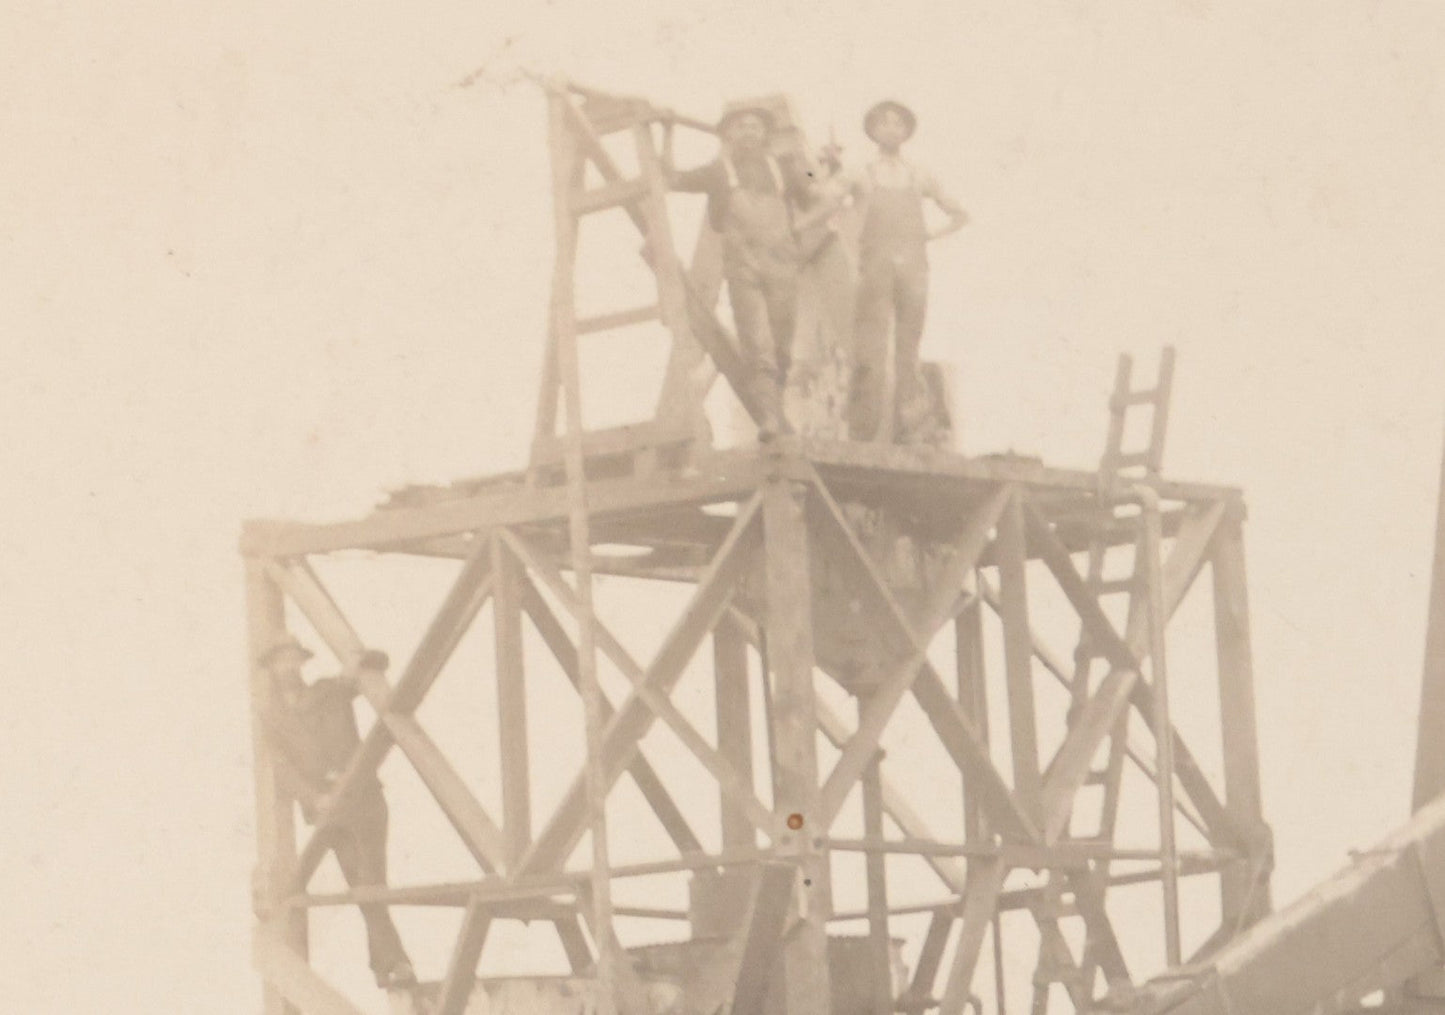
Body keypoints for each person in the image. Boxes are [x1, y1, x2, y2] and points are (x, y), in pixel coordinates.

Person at [258, 636, 416, 991]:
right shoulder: (272, 716)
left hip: (363, 799)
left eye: (294, 660)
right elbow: (281, 768)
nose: (289, 667)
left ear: (302, 663)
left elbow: (376, 664)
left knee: (371, 880)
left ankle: (390, 965)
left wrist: (360, 659)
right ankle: (390, 964)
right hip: (328, 810)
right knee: (359, 883)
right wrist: (314, 798)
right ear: (271, 669)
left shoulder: (329, 691)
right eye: (281, 662)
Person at [664, 102, 818, 438]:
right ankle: (769, 419)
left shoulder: (782, 167)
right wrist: (666, 132)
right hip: (743, 266)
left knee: (781, 345)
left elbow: (812, 194)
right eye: (740, 126)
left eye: (755, 126)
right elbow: (671, 179)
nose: (748, 132)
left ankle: (774, 408)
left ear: (765, 134)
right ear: (728, 134)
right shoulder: (718, 171)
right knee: (756, 342)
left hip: (782, 265)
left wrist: (803, 165)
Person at [823, 100, 968, 443]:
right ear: (872, 130)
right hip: (875, 269)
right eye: (884, 123)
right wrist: (821, 168)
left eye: (898, 124)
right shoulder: (861, 171)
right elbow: (824, 196)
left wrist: (929, 236)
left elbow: (959, 214)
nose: (891, 129)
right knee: (870, 351)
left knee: (909, 351)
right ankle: (861, 434)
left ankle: (913, 432)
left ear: (906, 132)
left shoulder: (920, 175)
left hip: (914, 269)